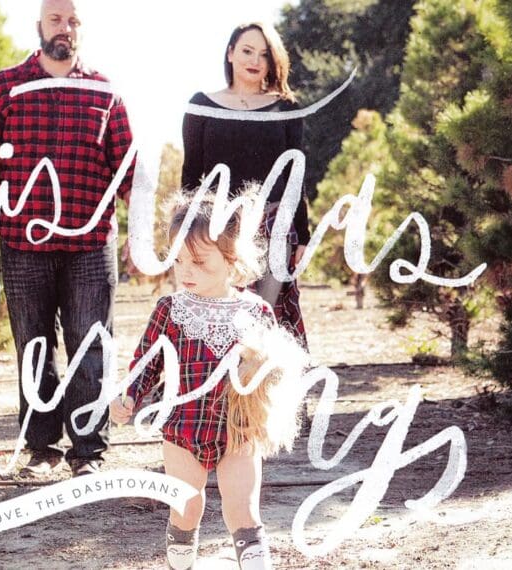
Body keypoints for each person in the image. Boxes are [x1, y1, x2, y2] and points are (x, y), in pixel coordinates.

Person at [0, 0, 134, 477]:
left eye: (74, 21)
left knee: (89, 345)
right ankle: (41, 449)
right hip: (23, 241)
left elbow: (128, 173)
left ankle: (88, 453)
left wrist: (142, 233)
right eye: (57, 19)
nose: (66, 28)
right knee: (33, 346)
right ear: (39, 25)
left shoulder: (104, 91)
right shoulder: (5, 87)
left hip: (90, 242)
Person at [111, 195, 304, 570]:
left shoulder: (255, 311)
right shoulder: (171, 310)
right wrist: (129, 396)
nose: (186, 270)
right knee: (187, 508)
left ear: (231, 258)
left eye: (199, 261)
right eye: (178, 259)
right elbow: (145, 364)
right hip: (184, 429)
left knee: (244, 513)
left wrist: (269, 372)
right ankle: (180, 559)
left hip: (239, 429)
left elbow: (273, 368)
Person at [181, 22, 310, 348]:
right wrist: (184, 234)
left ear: (273, 61)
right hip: (216, 230)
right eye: (247, 51)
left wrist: (303, 236)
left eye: (264, 54)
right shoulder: (201, 105)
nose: (255, 60)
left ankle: (261, 398)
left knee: (261, 326)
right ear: (231, 54)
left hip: (274, 228)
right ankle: (217, 398)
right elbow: (191, 174)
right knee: (218, 321)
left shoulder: (287, 108)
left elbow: (296, 176)